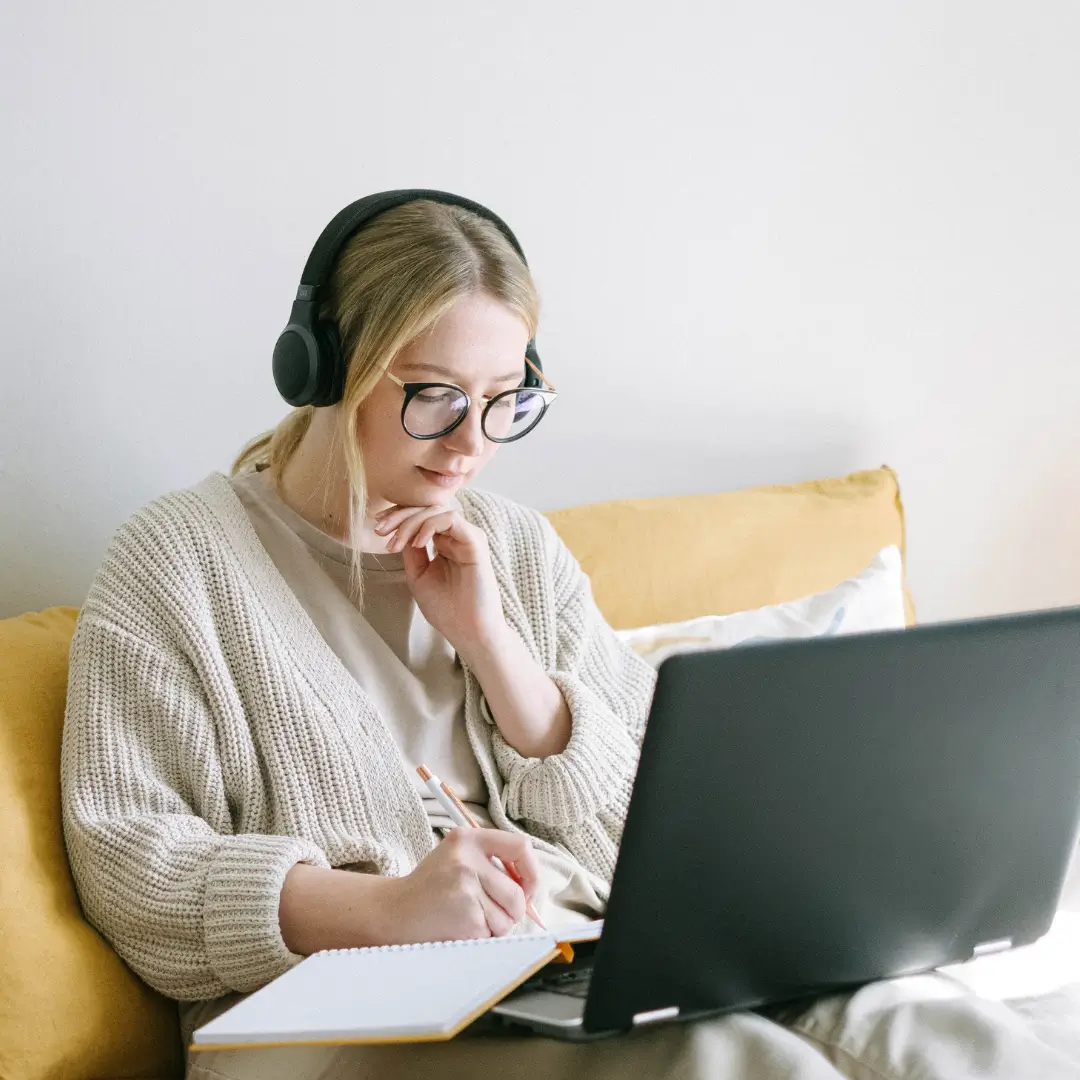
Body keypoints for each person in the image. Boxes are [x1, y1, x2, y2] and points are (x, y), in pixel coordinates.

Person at [60, 192, 1078, 1080]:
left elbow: (650, 832)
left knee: (922, 1025)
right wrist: (384, 911)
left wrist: (496, 647)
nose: (472, 445)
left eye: (506, 403)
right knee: (741, 1065)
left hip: (564, 965)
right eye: (437, 397)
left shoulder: (514, 546)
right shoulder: (177, 562)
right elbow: (135, 871)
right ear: (328, 368)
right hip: (329, 1022)